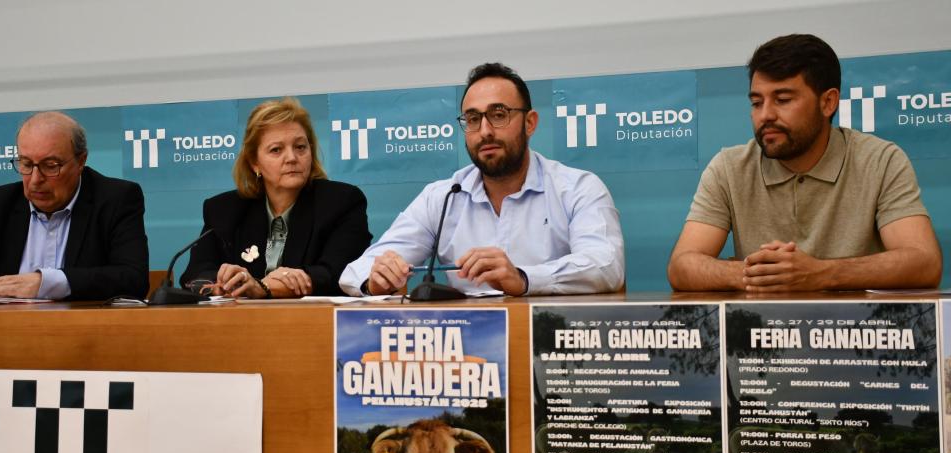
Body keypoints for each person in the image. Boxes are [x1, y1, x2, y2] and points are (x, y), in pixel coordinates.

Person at [667, 34, 941, 292]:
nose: (766, 115)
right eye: (756, 102)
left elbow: (924, 262)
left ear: (828, 102)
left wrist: (820, 273)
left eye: (783, 100)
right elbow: (681, 266)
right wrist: (759, 274)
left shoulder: (881, 160)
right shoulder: (728, 167)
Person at [339, 63, 624, 297]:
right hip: (465, 347)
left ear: (530, 123)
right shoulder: (444, 196)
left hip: (549, 342)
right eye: (473, 119)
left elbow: (606, 266)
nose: (485, 131)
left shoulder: (577, 188)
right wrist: (375, 282)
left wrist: (523, 278)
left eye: (499, 115)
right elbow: (357, 271)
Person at [0, 111, 149, 300]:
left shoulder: (115, 199)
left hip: (86, 337)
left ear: (81, 161)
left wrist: (45, 282)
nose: (35, 180)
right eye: (25, 164)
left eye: (50, 166)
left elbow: (133, 279)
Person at [180, 98, 371, 297]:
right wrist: (226, 283)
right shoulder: (224, 210)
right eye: (276, 150)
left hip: (312, 322)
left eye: (300, 147)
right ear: (255, 163)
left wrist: (266, 287)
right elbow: (194, 276)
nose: (291, 158)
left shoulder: (340, 202)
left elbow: (341, 274)